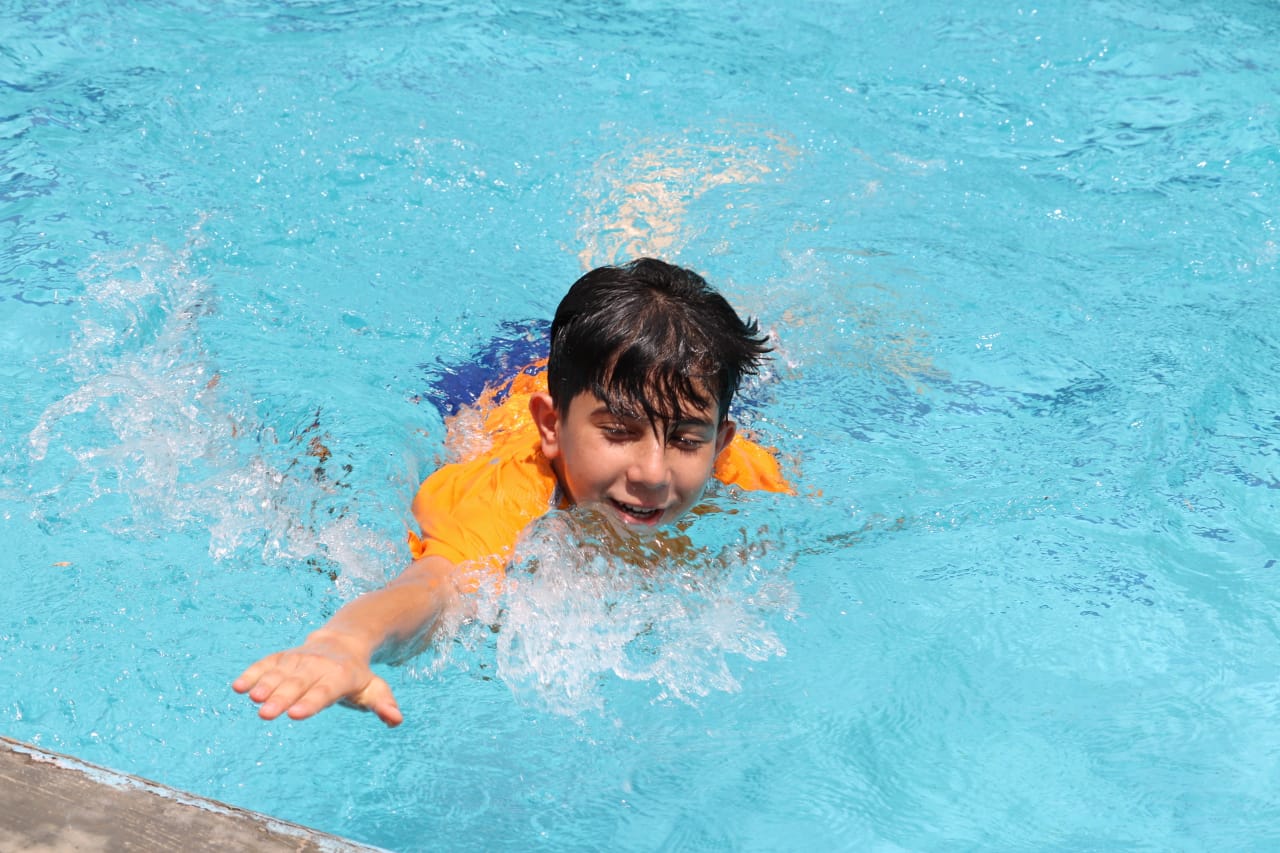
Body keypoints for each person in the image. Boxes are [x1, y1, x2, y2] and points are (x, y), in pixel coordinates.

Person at [233, 258, 791, 726]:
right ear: (552, 427)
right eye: (618, 432)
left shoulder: (742, 472)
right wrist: (345, 643)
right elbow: (434, 586)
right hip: (498, 378)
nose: (653, 473)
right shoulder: (507, 494)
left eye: (686, 440)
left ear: (719, 444)